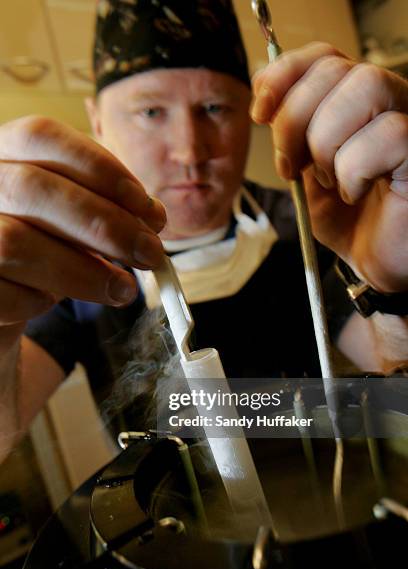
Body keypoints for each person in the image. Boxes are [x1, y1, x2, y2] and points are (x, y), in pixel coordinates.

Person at [0, 0, 407, 459]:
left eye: (214, 108)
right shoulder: (68, 261)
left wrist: (390, 287)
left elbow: (398, 389)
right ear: (97, 120)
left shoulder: (312, 223)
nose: (190, 152)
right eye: (151, 112)